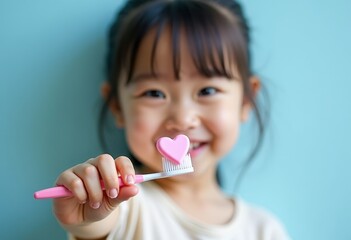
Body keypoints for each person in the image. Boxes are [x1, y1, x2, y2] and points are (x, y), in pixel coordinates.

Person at [53, 0, 290, 239]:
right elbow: (97, 223)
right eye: (154, 93)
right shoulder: (122, 205)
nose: (183, 120)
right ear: (117, 107)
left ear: (246, 100)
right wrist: (89, 214)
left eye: (207, 91)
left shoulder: (265, 230)